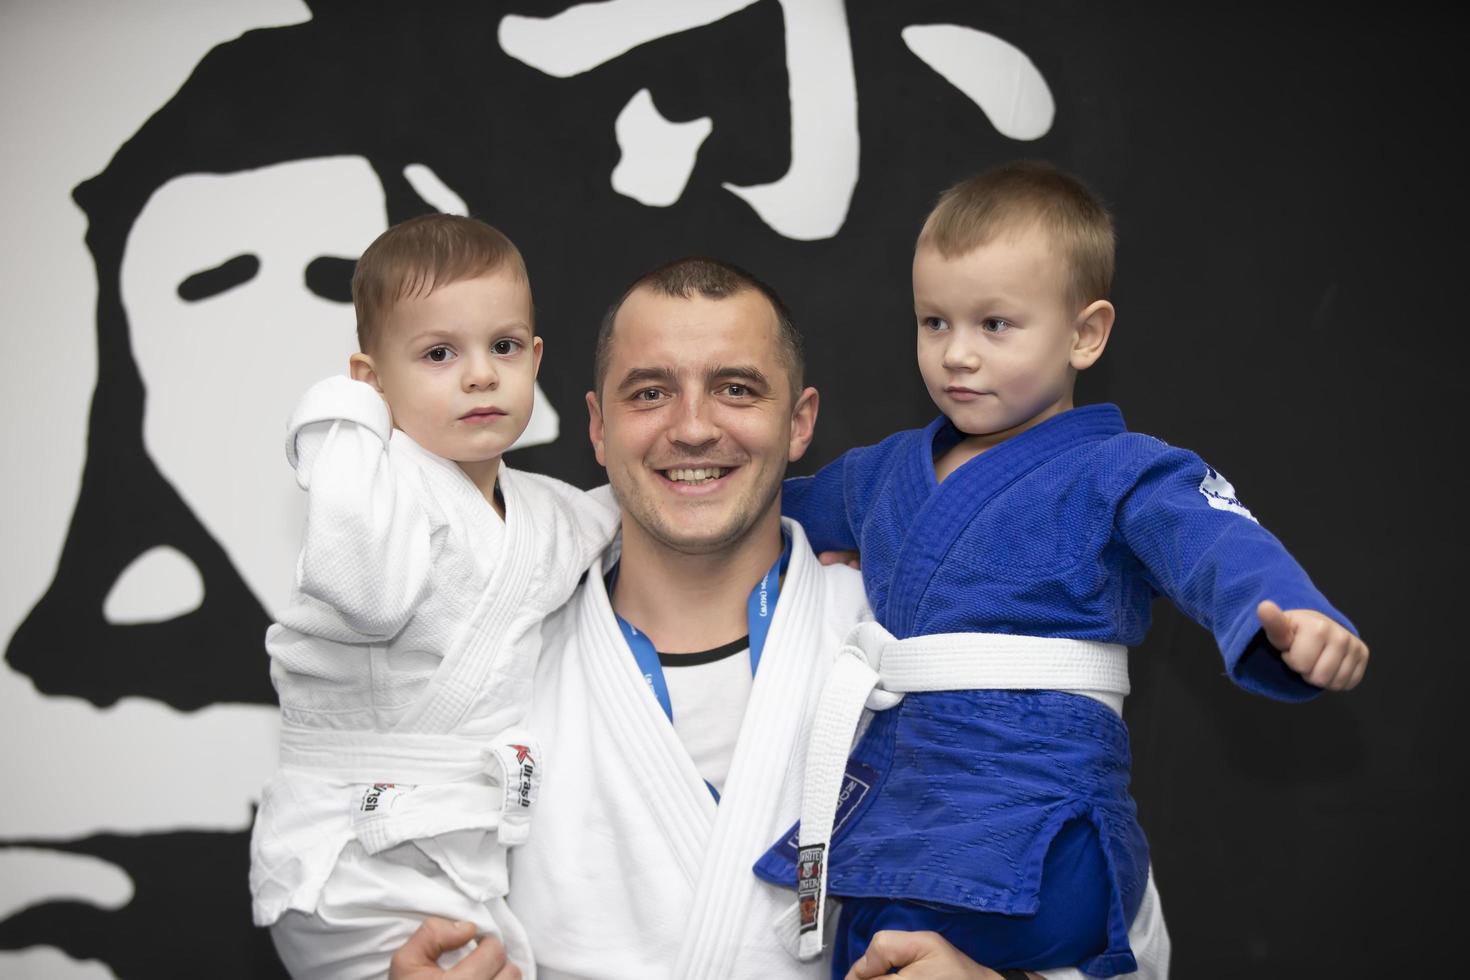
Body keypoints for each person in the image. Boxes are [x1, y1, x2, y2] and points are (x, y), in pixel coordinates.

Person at [389, 256, 1171, 980]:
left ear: (800, 422)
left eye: (736, 388)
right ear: (597, 426)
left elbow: (1128, 935)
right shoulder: (494, 661)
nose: (693, 427)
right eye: (650, 391)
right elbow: (361, 900)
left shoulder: (913, 649)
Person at [747, 161, 1369, 977]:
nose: (956, 355)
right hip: (904, 816)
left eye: (995, 325)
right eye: (934, 323)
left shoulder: (1123, 471)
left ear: (1086, 332)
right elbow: (759, 513)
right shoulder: (882, 476)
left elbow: (1214, 542)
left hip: (1041, 810)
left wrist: (1289, 611)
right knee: (870, 947)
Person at [249, 214, 618, 980]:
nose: (481, 374)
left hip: (464, 847)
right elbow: (370, 598)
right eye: (440, 353)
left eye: (504, 347)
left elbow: (638, 512)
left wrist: (804, 527)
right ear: (372, 377)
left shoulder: (546, 511)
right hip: (348, 854)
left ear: (536, 358)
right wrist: (340, 422)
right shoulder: (373, 491)